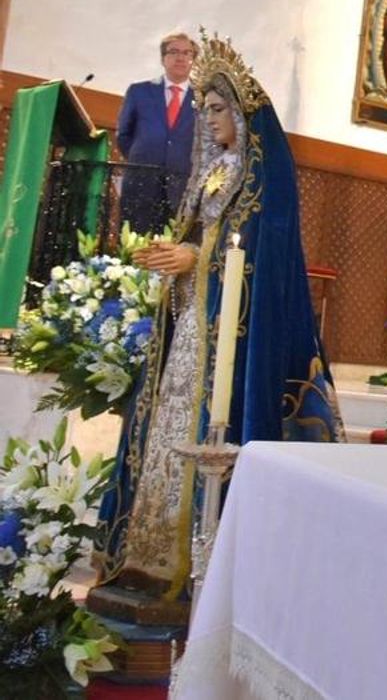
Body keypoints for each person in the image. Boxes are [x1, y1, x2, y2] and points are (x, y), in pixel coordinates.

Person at [99, 33, 342, 609]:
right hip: (192, 325)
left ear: (242, 113)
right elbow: (200, 238)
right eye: (203, 109)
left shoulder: (265, 179)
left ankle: (203, 561)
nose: (207, 120)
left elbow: (261, 252)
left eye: (216, 109)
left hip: (230, 332)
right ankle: (148, 556)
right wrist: (173, 254)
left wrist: (197, 259)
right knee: (166, 428)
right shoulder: (212, 174)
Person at [115, 32, 197, 234]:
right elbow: (124, 135)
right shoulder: (139, 91)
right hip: (140, 184)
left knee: (171, 253)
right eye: (174, 52)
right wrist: (143, 160)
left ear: (193, 60)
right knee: (134, 249)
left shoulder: (205, 97)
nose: (181, 57)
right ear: (163, 58)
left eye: (187, 53)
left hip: (182, 188)